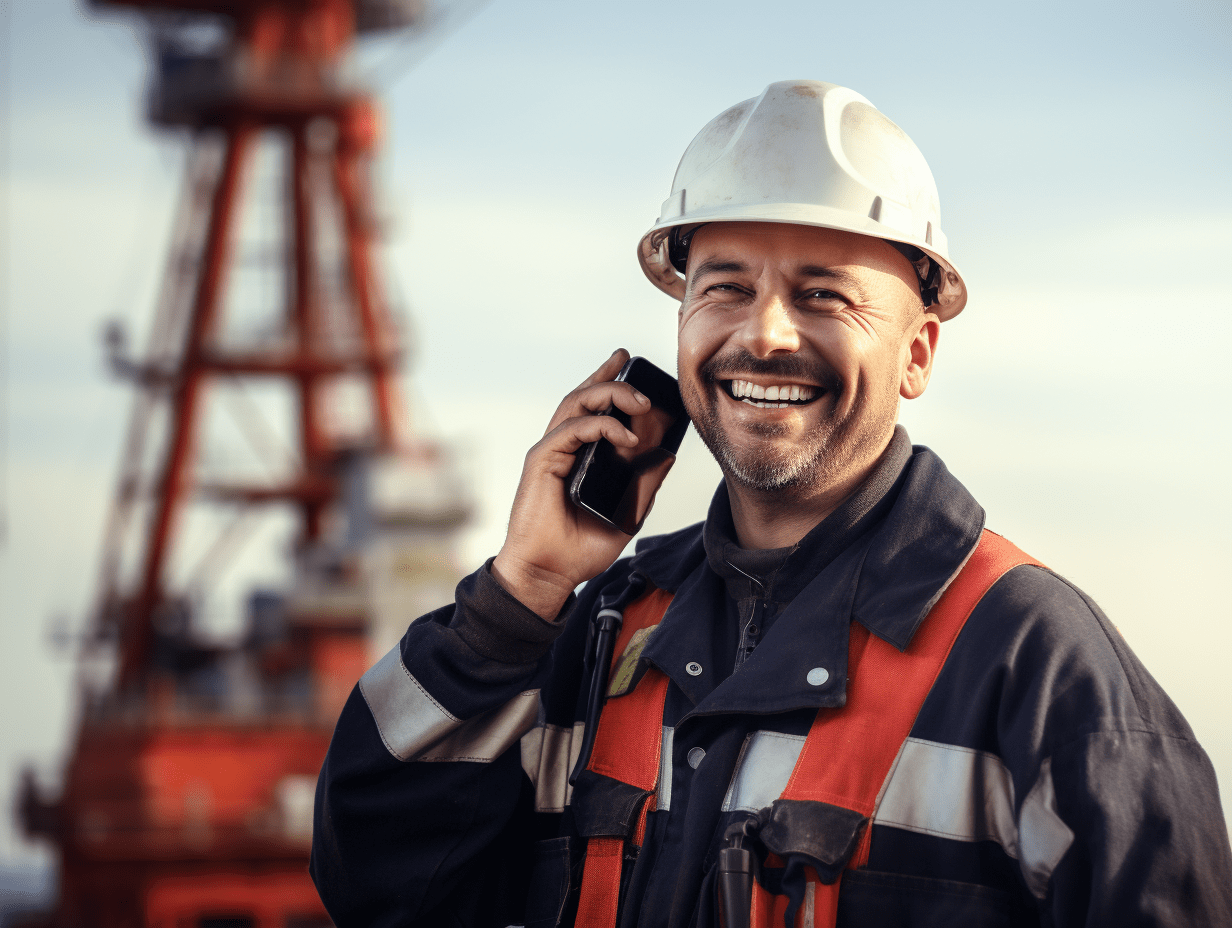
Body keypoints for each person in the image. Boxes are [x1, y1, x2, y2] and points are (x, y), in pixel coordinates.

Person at [310, 80, 1232, 927]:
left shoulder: (1038, 668)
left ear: (917, 354)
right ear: (681, 325)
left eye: (823, 293)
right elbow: (381, 883)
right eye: (726, 287)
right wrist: (524, 591)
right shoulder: (596, 635)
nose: (764, 334)